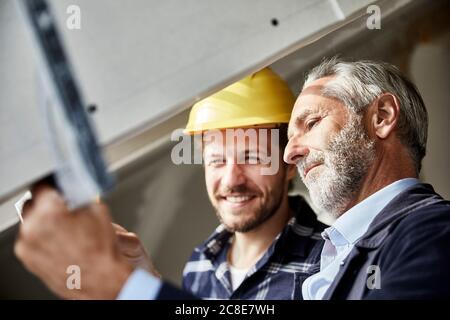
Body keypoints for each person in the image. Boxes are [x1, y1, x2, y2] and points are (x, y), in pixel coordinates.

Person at [14, 68, 326, 300]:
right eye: (217, 160)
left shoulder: (328, 265)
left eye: (253, 157)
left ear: (289, 164)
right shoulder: (201, 264)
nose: (232, 179)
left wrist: (122, 285)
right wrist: (146, 277)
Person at [283, 57, 450, 299]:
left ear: (381, 117)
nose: (289, 154)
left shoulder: (432, 234)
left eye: (311, 123)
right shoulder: (335, 252)